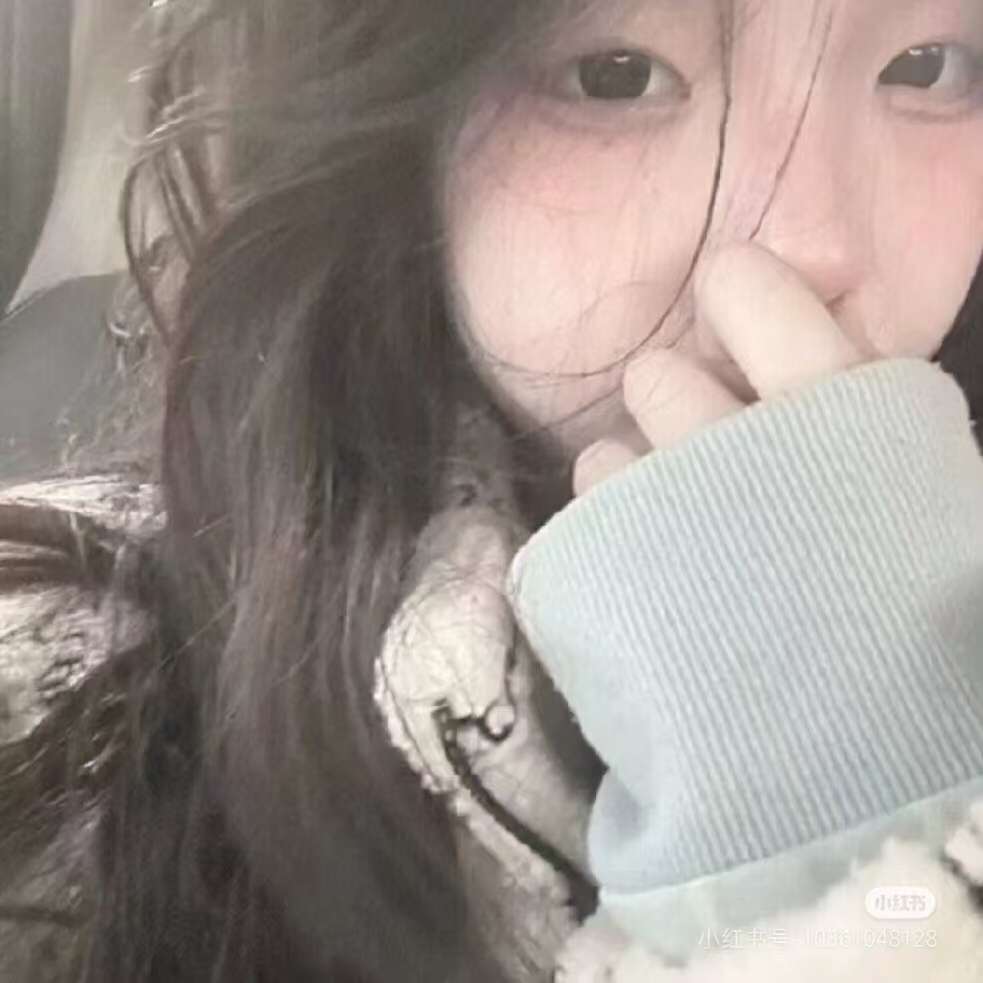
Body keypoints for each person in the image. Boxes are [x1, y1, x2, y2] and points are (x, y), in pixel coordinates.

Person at [1, 0, 983, 980]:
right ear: (401, 128)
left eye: (927, 66)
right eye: (613, 76)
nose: (810, 247)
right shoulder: (59, 718)